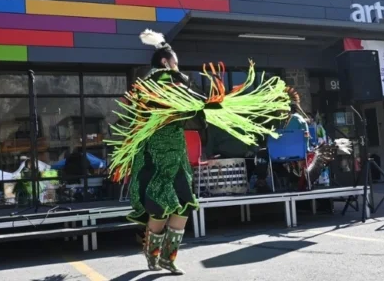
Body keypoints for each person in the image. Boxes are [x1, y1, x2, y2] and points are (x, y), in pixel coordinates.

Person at [107, 29, 291, 275]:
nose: (178, 65)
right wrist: (206, 104)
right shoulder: (158, 81)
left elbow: (190, 107)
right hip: (156, 152)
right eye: (175, 61)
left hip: (175, 150)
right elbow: (183, 103)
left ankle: (167, 258)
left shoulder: (169, 83)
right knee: (162, 205)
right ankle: (153, 255)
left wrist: (210, 106)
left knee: (183, 205)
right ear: (165, 61)